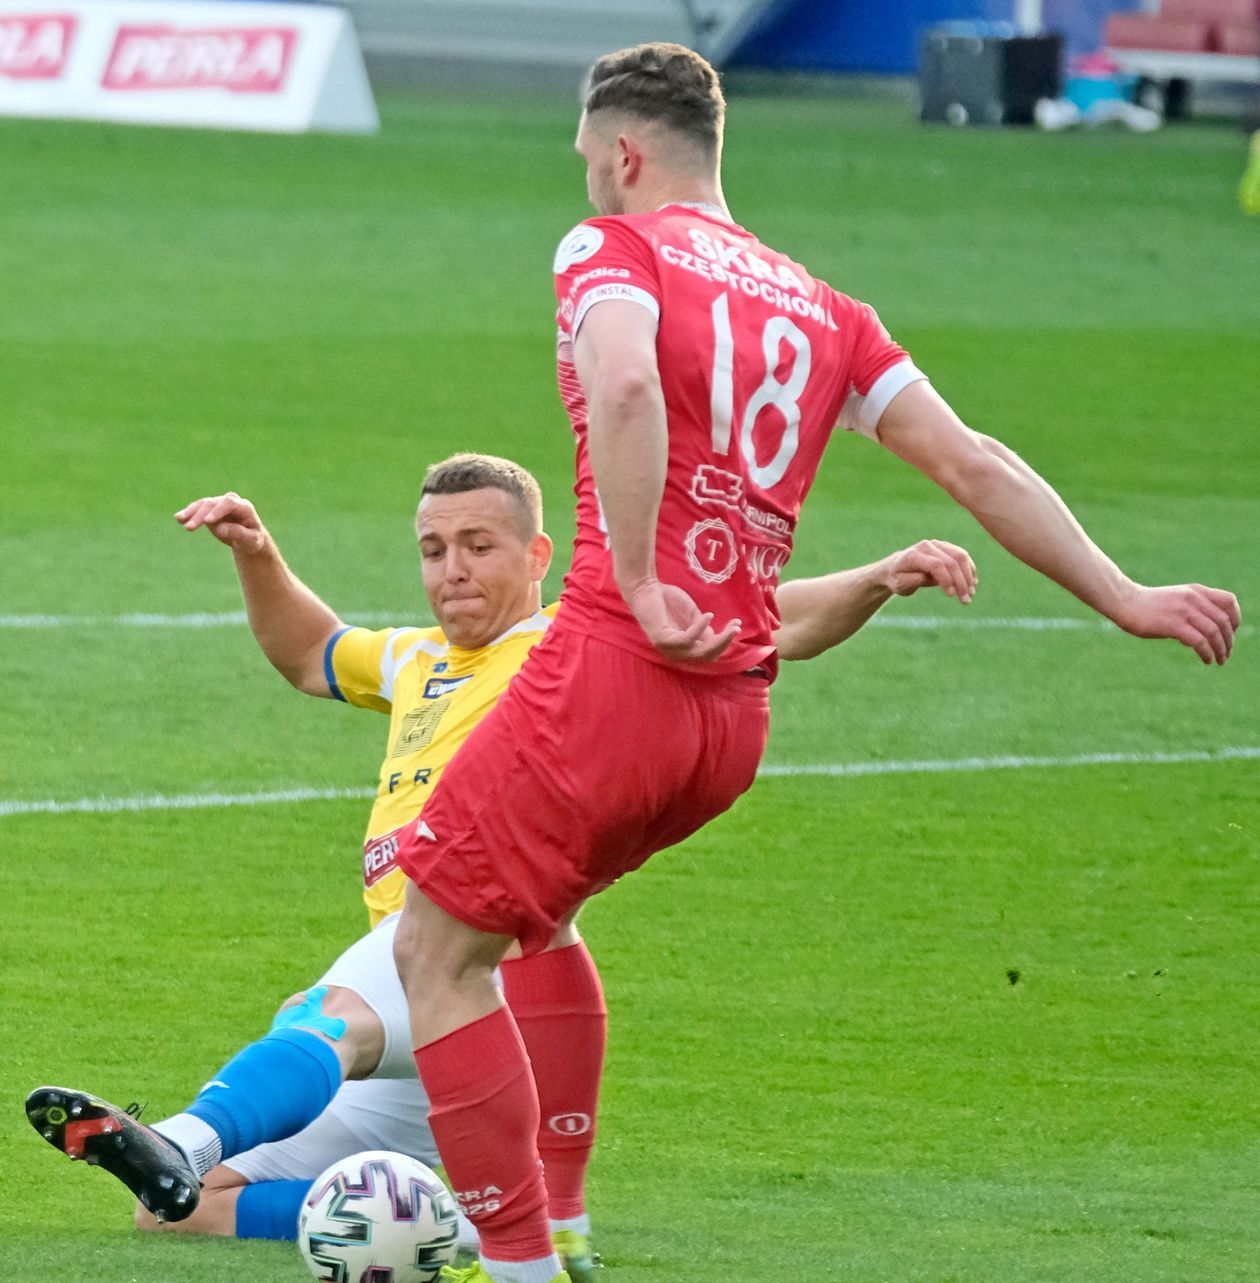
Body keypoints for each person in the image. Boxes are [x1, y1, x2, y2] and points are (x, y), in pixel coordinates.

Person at [379, 42, 1241, 1283]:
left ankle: (513, 1265)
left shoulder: (611, 251)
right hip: (732, 717)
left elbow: (622, 385)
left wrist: (631, 574)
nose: (587, 182)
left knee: (434, 953)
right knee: (540, 916)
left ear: (623, 151)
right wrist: (1126, 595)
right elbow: (976, 462)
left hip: (621, 673)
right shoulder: (828, 311)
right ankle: (560, 1224)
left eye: (588, 161)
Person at [26, 455, 979, 1278]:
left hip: (474, 953)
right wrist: (258, 553)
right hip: (428, 1008)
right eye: (434, 550)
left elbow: (771, 618)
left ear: (537, 556)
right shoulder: (417, 660)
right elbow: (310, 652)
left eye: (479, 546)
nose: (453, 571)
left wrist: (881, 576)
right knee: (173, 1213)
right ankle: (453, 1206)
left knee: (331, 1016)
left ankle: (181, 1136)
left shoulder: (575, 644)